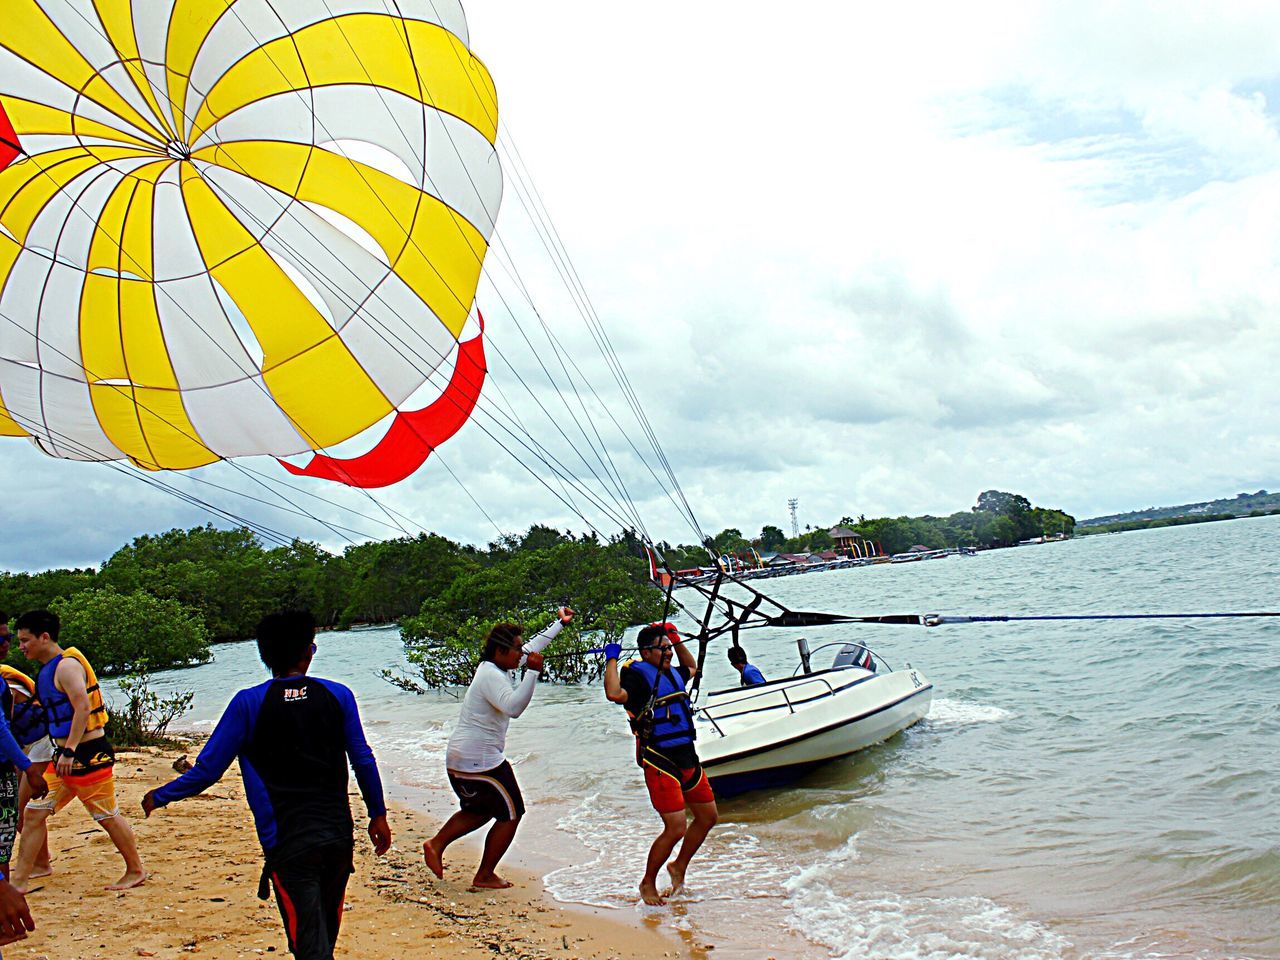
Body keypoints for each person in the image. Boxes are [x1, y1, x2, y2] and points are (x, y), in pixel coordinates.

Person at [143, 610, 390, 960]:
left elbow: (208, 770)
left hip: (287, 844)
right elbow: (363, 759)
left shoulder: (248, 703)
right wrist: (378, 815)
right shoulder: (338, 695)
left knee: (307, 943)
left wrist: (161, 795)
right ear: (310, 651)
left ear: (264, 656)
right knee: (323, 933)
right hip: (337, 837)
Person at [424, 606, 573, 890]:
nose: (522, 653)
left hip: (465, 759)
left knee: (481, 810)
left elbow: (532, 646)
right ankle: (484, 875)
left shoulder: (493, 666)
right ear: (500, 651)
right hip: (480, 762)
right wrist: (532, 673)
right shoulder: (491, 676)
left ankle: (436, 844)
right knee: (512, 813)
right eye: (517, 649)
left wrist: (559, 624)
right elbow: (513, 708)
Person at [9, 610, 145, 892]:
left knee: (106, 814)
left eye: (25, 640)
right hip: (62, 757)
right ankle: (21, 880)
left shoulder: (67, 667)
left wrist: (69, 751)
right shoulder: (48, 670)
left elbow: (82, 707)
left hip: (86, 754)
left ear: (44, 637)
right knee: (34, 812)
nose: (20, 646)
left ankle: (135, 870)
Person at [604, 621, 718, 906]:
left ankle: (678, 866)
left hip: (687, 755)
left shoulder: (673, 673)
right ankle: (647, 883)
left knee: (707, 818)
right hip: (660, 758)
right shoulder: (639, 679)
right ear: (645, 652)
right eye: (663, 649)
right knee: (676, 826)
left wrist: (676, 638)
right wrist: (612, 659)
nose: (668, 654)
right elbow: (614, 694)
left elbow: (692, 668)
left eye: (669, 649)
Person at [0, 623, 52, 879]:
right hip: (22, 748)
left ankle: (41, 863)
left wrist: (27, 768)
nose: (8, 644)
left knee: (22, 809)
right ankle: (41, 861)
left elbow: (3, 728)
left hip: (38, 744)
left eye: (8, 638)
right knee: (24, 810)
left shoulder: (7, 683)